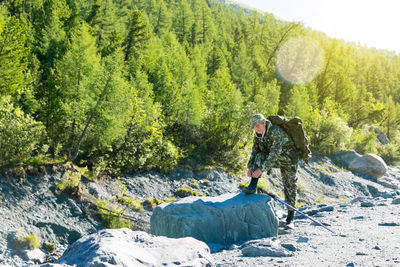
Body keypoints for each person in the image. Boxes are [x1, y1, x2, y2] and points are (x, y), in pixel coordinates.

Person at [244, 113, 300, 229]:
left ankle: (290, 219)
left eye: (259, 125)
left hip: (289, 159)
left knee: (289, 185)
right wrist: (250, 167)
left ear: (264, 123)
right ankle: (252, 186)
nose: (257, 128)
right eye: (255, 126)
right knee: (259, 156)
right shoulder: (257, 136)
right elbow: (254, 152)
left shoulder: (275, 131)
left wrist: (261, 169)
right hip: (276, 158)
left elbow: (274, 154)